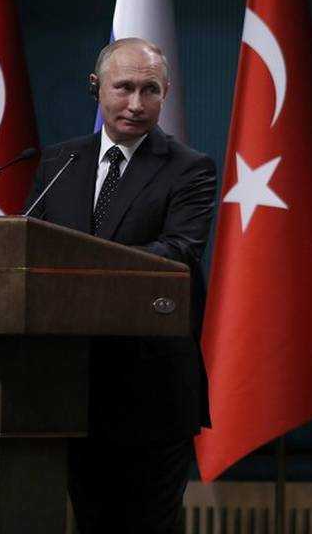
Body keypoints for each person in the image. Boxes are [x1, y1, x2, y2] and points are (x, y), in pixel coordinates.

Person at [24, 37, 217, 533]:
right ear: (96, 88)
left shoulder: (189, 168)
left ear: (165, 93)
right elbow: (30, 249)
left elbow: (178, 252)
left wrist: (85, 267)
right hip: (70, 385)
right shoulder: (60, 163)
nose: (136, 103)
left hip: (151, 389)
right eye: (124, 88)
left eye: (149, 90)